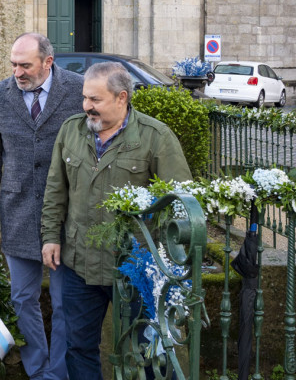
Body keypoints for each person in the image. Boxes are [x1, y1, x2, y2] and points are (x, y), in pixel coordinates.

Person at [40, 61, 192, 379]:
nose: (86, 106)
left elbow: (181, 205)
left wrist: (166, 262)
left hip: (135, 270)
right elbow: (56, 190)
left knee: (151, 352)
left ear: (121, 98)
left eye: (95, 100)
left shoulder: (156, 137)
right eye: (84, 98)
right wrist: (50, 236)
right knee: (78, 349)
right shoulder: (71, 130)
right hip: (79, 266)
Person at [0, 33, 83, 380]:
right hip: (17, 213)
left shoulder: (78, 90)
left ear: (48, 62)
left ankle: (60, 371)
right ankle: (37, 370)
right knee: (23, 299)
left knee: (66, 301)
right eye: (13, 64)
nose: (17, 72)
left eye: (25, 65)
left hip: (66, 217)